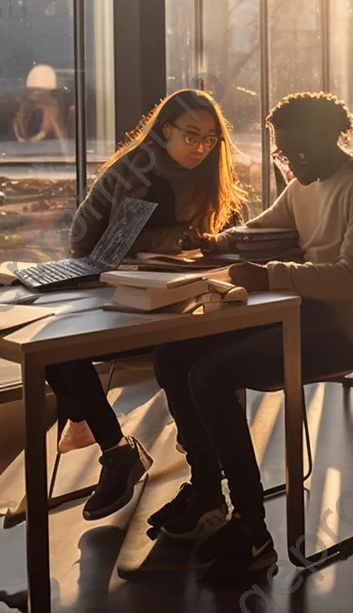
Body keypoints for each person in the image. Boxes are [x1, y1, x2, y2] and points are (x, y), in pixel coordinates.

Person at [150, 92, 353, 583]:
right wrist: (215, 243)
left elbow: (349, 279)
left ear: (332, 139)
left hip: (343, 328)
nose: (290, 164)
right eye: (282, 153)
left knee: (211, 376)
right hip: (298, 312)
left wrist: (268, 276)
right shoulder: (305, 179)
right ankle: (205, 490)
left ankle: (252, 528)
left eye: (297, 153)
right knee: (172, 355)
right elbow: (266, 228)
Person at [42, 89, 247, 522]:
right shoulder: (136, 171)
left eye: (211, 139)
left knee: (195, 350)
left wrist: (205, 246)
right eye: (192, 135)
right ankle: (118, 451)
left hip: (188, 301)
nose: (201, 147)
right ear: (165, 129)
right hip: (117, 295)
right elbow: (100, 248)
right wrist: (178, 241)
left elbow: (232, 241)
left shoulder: (212, 174)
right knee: (55, 347)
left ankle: (200, 461)